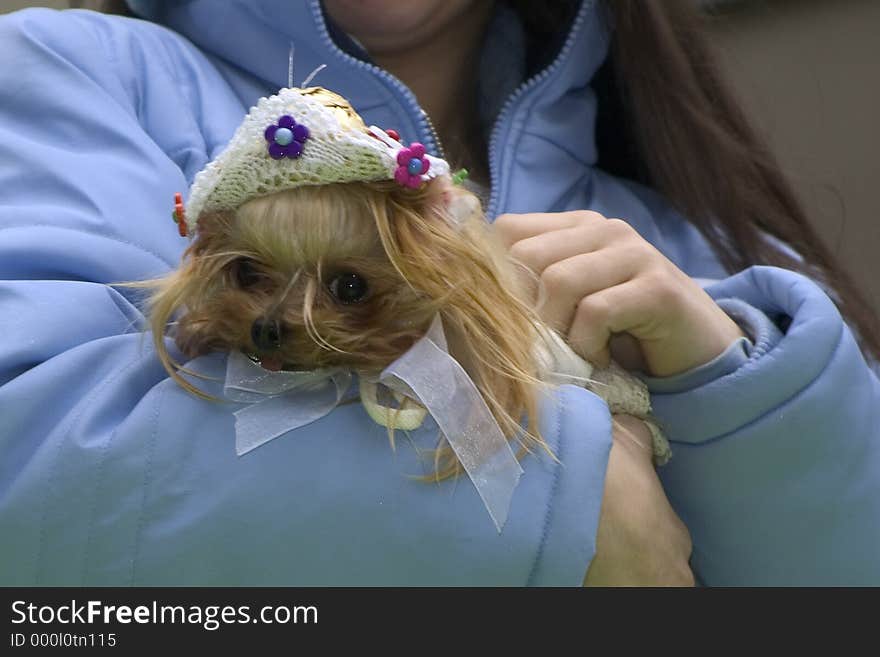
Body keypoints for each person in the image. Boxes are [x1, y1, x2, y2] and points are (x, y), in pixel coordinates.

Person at [0, 0, 876, 586]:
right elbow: (30, 484)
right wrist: (560, 500)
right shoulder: (80, 74)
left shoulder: (703, 243)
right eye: (252, 275)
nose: (282, 318)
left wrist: (742, 402)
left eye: (346, 287)